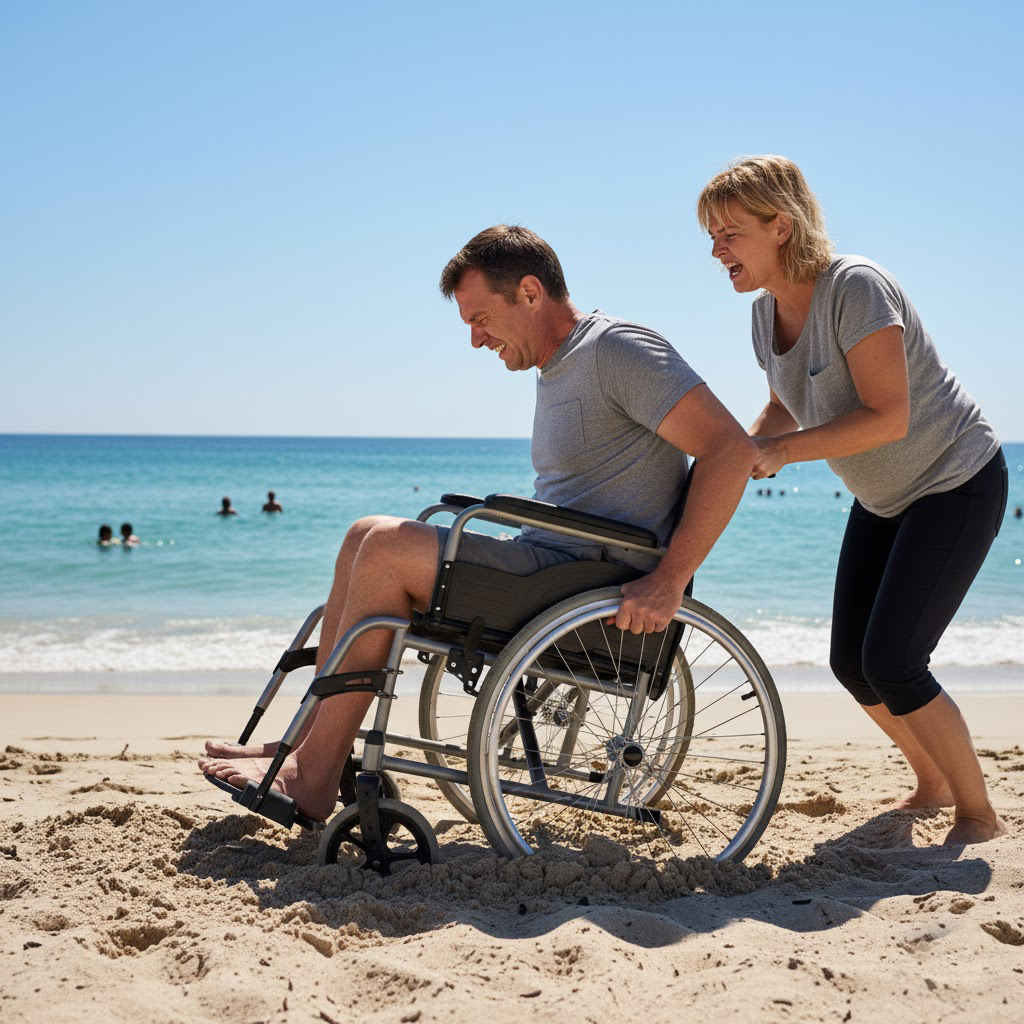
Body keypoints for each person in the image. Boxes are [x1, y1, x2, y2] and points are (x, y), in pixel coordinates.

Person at [200, 223, 758, 821]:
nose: (474, 340)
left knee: (387, 546)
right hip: (552, 566)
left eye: (480, 318)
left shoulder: (617, 350)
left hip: (590, 580)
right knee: (363, 533)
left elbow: (730, 449)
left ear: (528, 291)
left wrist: (671, 578)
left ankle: (313, 775)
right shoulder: (560, 366)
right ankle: (306, 746)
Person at [697, 155, 1008, 845]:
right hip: (883, 496)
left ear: (781, 226)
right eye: (711, 234)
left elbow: (887, 417)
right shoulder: (762, 318)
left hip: (953, 479)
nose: (715, 248)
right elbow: (786, 403)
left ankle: (979, 813)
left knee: (895, 660)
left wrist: (781, 453)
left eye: (729, 232)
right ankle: (929, 781)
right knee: (851, 661)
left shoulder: (856, 287)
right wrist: (742, 449)